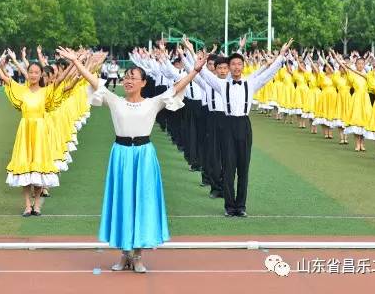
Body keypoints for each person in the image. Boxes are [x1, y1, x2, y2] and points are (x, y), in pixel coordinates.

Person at [57, 46, 206, 274]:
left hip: (144, 156)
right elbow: (94, 82)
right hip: (121, 156)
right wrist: (76, 62)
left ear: (143, 83)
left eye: (133, 78)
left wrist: (195, 71)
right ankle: (124, 254)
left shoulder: (152, 103)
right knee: (124, 203)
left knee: (142, 203)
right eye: (126, 77)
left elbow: (176, 88)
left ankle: (138, 256)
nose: (128, 81)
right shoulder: (115, 100)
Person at [196, 39, 293, 217]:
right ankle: (229, 206)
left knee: (243, 168)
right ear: (228, 66)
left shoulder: (250, 83)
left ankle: (240, 206)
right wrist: (198, 61)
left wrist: (281, 56)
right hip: (227, 124)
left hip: (243, 125)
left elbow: (269, 73)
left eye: (239, 64)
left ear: (243, 66)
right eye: (233, 64)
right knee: (228, 166)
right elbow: (204, 75)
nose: (236, 67)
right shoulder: (222, 84)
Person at [0, 47, 60, 217]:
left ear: (41, 75)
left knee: (39, 169)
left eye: (36, 72)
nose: (33, 75)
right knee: (25, 169)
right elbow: (4, 77)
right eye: (30, 72)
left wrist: (74, 63)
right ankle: (27, 205)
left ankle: (37, 205)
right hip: (25, 131)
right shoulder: (21, 90)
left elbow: (61, 81)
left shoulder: (46, 91)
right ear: (27, 73)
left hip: (40, 132)